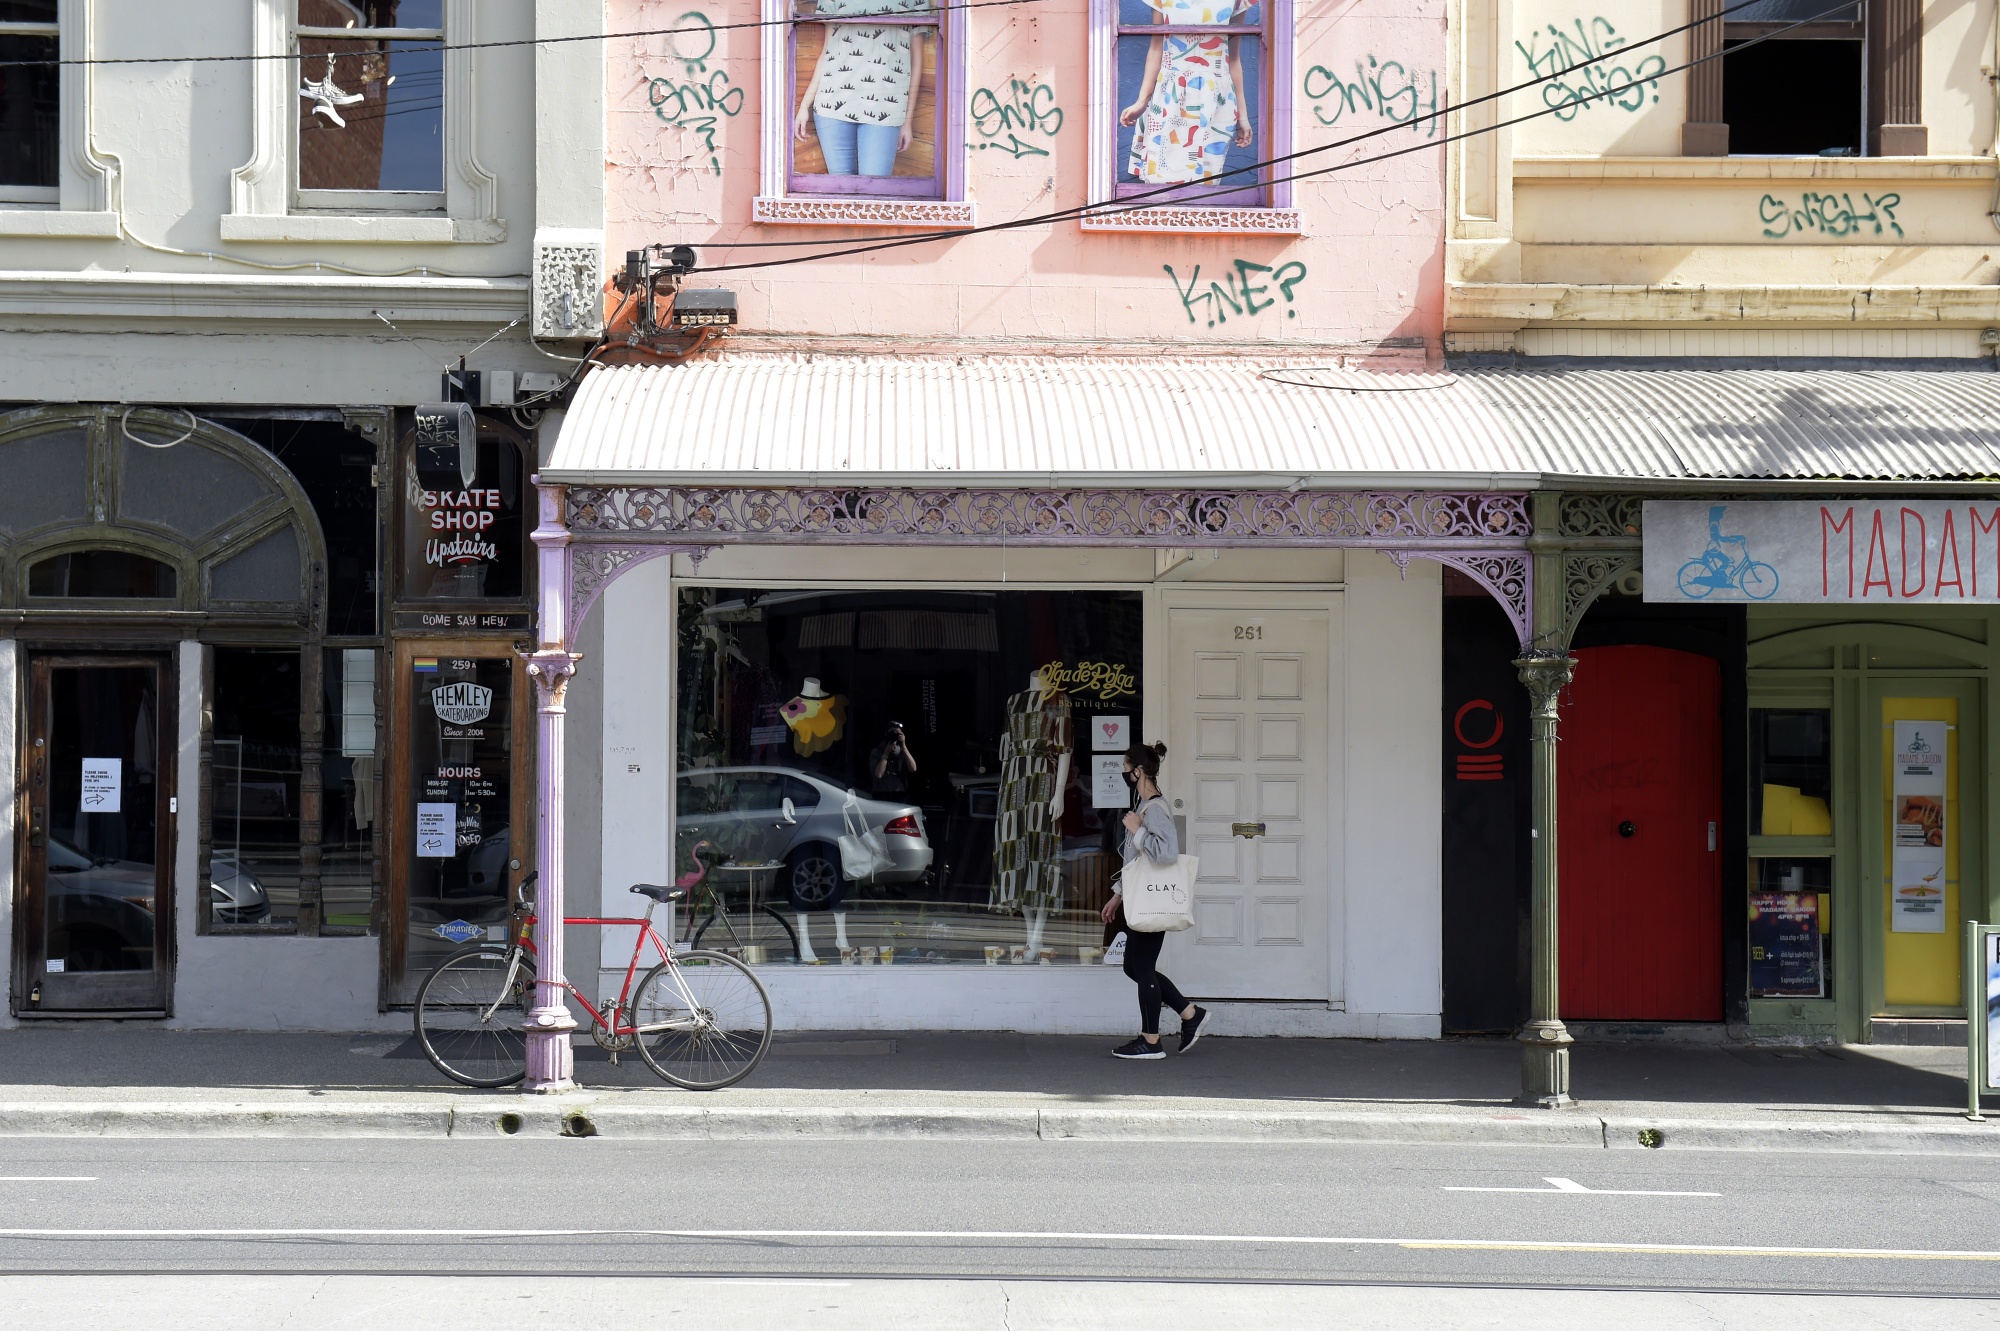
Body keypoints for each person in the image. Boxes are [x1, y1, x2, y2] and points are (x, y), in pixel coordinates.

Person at [1100, 740, 1207, 1059]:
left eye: (1125, 767)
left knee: (1141, 967)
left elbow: (1165, 854)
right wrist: (1117, 896)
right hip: (1141, 898)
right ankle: (1189, 1013)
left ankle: (1151, 1041)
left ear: (1139, 771)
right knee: (1133, 966)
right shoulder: (1146, 807)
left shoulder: (1155, 809)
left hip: (1152, 900)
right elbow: (1137, 865)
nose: (1123, 773)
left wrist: (1138, 831)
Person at [1118, 0, 1255, 187]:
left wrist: (1243, 115)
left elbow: (1233, 59)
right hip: (1170, 95)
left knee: (1204, 183)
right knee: (1160, 179)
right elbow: (1156, 48)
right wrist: (1142, 101)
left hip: (1214, 99)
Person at [792, 0, 931, 179]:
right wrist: (805, 106)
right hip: (832, 104)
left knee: (875, 193)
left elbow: (916, 63)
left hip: (886, 108)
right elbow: (827, 52)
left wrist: (907, 120)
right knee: (842, 193)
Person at [869, 721, 919, 795]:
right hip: (881, 794)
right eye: (892, 733)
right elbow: (878, 774)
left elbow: (913, 768)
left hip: (899, 793)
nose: (894, 735)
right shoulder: (877, 751)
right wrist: (886, 754)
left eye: (897, 734)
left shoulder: (902, 752)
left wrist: (903, 746)